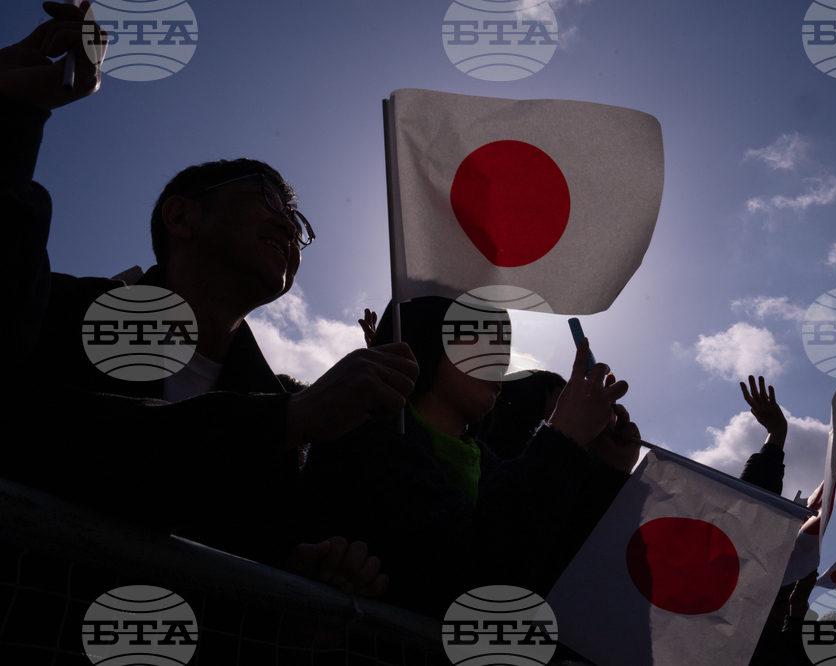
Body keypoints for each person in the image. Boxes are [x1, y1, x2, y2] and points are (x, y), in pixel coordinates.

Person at [0, 2, 418, 594]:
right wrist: (14, 115)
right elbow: (39, 436)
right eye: (270, 199)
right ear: (182, 217)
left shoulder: (275, 409)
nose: (289, 228)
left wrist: (286, 579)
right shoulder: (57, 311)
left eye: (299, 224)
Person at [299, 296, 641, 617]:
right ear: (429, 330)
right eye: (482, 338)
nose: (501, 359)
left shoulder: (492, 466)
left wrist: (607, 474)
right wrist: (564, 438)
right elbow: (472, 574)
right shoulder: (362, 434)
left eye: (505, 346)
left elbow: (557, 574)